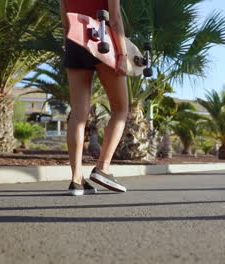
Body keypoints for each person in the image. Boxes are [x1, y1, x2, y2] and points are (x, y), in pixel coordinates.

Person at [60, 0, 129, 195]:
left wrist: (72, 49)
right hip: (103, 39)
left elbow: (65, 23)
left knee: (78, 114)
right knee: (120, 109)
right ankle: (103, 167)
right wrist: (122, 54)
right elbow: (114, 18)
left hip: (74, 41)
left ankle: (76, 179)